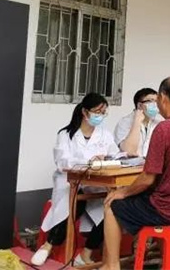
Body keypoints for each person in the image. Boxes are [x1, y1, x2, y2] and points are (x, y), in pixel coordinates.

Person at [100, 77, 170, 270]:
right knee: (151, 201)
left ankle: (111, 266)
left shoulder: (165, 127)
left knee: (112, 204)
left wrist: (122, 192)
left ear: (163, 98)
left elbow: (147, 178)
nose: (156, 105)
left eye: (156, 100)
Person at [32, 93, 118, 267]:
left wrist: (106, 158)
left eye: (103, 112)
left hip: (97, 185)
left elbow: (115, 155)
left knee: (113, 207)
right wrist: (88, 161)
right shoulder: (66, 135)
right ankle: (48, 245)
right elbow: (62, 161)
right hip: (70, 183)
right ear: (85, 112)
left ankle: (87, 252)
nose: (100, 116)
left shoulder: (105, 135)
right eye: (97, 112)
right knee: (76, 204)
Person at [114, 88, 161, 157]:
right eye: (151, 101)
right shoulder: (125, 122)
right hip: (131, 163)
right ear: (139, 105)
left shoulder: (159, 122)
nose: (155, 104)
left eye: (157, 101)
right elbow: (128, 151)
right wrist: (137, 122)